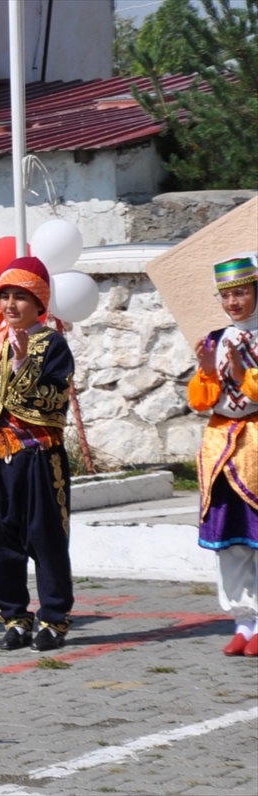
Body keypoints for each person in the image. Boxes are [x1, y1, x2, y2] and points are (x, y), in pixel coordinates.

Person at [0, 256, 75, 653]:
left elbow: (51, 402)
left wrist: (23, 363)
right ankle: (15, 617)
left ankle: (53, 619)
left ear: (40, 302)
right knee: (1, 538)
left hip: (39, 455)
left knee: (46, 537)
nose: (10, 305)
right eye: (4, 296)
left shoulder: (53, 344)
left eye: (20, 296)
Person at [188, 253, 258, 657]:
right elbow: (202, 401)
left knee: (256, 539)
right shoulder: (216, 339)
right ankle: (242, 620)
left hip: (254, 445)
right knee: (230, 542)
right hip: (220, 450)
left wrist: (240, 372)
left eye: (242, 293)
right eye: (227, 295)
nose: (234, 302)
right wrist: (207, 369)